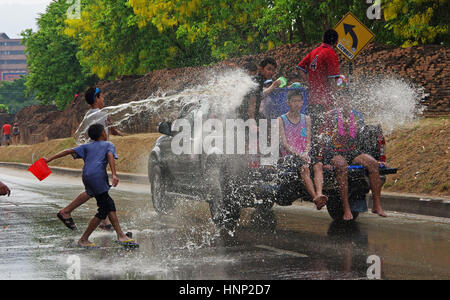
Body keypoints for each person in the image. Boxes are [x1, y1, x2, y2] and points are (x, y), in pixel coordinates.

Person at [44, 124, 137, 248]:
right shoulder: (108, 144)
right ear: (103, 134)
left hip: (87, 176)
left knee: (107, 206)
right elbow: (110, 156)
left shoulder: (87, 146)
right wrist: (114, 174)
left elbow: (68, 151)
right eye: (105, 131)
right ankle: (86, 238)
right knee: (105, 207)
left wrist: (49, 159)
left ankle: (119, 234)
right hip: (98, 176)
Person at [57, 87, 124, 231]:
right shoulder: (102, 113)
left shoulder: (88, 114)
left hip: (91, 152)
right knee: (95, 191)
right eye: (102, 97)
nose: (104, 100)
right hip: (99, 153)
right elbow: (111, 129)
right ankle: (67, 211)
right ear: (96, 98)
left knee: (96, 190)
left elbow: (109, 130)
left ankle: (104, 221)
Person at [317, 91, 387, 220]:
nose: (345, 103)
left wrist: (377, 157)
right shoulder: (330, 116)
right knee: (341, 165)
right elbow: (323, 139)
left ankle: (376, 204)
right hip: (335, 152)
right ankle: (346, 208)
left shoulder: (357, 115)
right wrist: (324, 161)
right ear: (337, 102)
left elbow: (361, 137)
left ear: (351, 101)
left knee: (372, 164)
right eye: (342, 100)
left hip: (353, 151)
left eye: (347, 100)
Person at [278, 89, 327, 210]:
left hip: (305, 154)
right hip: (289, 156)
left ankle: (319, 193)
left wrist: (306, 153)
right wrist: (300, 155)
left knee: (318, 165)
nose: (296, 103)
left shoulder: (307, 119)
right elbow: (284, 144)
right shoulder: (281, 119)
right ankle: (315, 197)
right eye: (293, 101)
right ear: (288, 103)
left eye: (299, 101)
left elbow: (308, 140)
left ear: (302, 103)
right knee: (305, 168)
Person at [296, 29, 341, 138]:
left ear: (322, 39)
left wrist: (309, 80)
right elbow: (332, 80)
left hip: (312, 100)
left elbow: (300, 67)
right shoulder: (331, 54)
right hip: (325, 101)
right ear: (336, 42)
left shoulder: (314, 51)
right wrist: (335, 99)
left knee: (314, 130)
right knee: (326, 133)